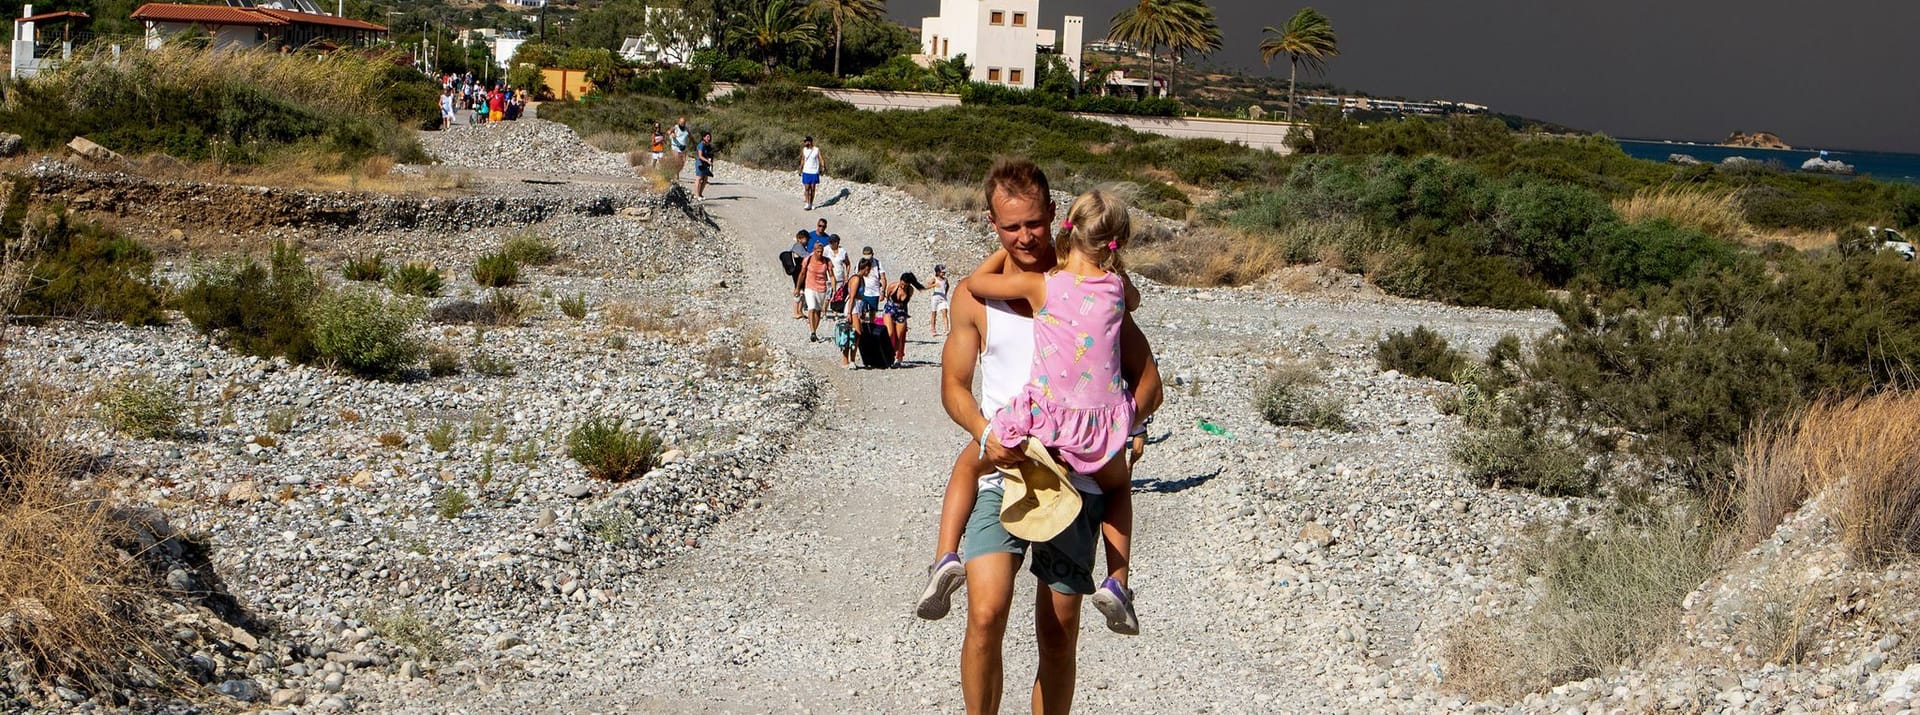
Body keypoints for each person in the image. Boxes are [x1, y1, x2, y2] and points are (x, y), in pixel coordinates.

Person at [927, 160, 1162, 714]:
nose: (1025, 236)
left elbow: (1148, 380)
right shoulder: (975, 299)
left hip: (1077, 482)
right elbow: (954, 388)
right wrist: (987, 433)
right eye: (1011, 228)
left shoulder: (1087, 286)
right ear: (992, 224)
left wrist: (1124, 428)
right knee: (985, 614)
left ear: (1055, 216)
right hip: (1003, 469)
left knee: (1058, 637)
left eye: (1034, 223)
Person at [881, 272, 926, 366]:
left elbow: (906, 303)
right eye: (902, 283)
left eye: (905, 284)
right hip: (890, 309)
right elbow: (888, 297)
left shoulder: (910, 290)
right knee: (889, 333)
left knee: (899, 336)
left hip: (901, 311)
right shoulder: (893, 286)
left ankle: (897, 357)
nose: (902, 286)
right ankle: (886, 354)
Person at [837, 259, 873, 370]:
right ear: (865, 268)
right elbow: (852, 296)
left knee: (852, 334)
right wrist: (849, 313)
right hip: (852, 307)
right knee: (855, 333)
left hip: (857, 306)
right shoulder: (856, 279)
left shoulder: (861, 279)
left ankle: (848, 360)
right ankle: (849, 360)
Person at [796, 242, 833, 342]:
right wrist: (798, 288)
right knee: (811, 308)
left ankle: (815, 332)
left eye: (821, 252)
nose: (820, 253)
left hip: (821, 288)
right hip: (809, 287)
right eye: (818, 251)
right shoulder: (807, 260)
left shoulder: (827, 261)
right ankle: (812, 331)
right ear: (814, 250)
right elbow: (802, 273)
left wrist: (833, 288)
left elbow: (831, 275)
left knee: (818, 311)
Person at [784, 230, 810, 320]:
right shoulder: (798, 247)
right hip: (798, 272)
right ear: (800, 238)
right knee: (798, 290)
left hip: (799, 271)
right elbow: (805, 256)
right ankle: (796, 312)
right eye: (806, 239)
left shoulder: (799, 247)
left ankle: (800, 311)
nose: (807, 241)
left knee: (802, 291)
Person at [824, 234, 851, 313]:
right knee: (827, 295)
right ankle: (824, 312)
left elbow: (848, 263)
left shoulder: (843, 251)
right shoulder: (826, 250)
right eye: (830, 242)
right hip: (829, 277)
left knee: (837, 296)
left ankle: (835, 312)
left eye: (832, 242)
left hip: (840, 277)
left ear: (837, 242)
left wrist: (847, 274)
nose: (831, 244)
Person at [800, 136, 825, 210]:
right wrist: (800, 169)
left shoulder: (816, 150)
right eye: (804, 142)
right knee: (807, 188)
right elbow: (802, 159)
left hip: (814, 171)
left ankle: (811, 203)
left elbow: (821, 158)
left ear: (810, 142)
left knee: (813, 188)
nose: (804, 143)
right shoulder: (804, 150)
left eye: (805, 142)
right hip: (806, 171)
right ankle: (807, 203)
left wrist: (823, 167)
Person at [928, 264, 952, 337]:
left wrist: (945, 293)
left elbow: (947, 286)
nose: (944, 274)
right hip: (935, 297)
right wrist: (934, 285)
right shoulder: (934, 279)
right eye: (942, 272)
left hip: (943, 298)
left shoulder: (945, 280)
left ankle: (947, 329)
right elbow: (927, 286)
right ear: (938, 272)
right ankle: (933, 329)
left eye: (944, 272)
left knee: (945, 313)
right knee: (934, 313)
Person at [693, 131, 714, 201]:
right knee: (699, 178)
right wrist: (707, 161)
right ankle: (696, 194)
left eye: (709, 137)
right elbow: (700, 156)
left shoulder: (706, 146)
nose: (709, 138)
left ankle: (700, 194)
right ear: (703, 137)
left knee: (705, 179)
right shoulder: (701, 145)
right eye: (707, 137)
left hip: (705, 164)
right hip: (700, 163)